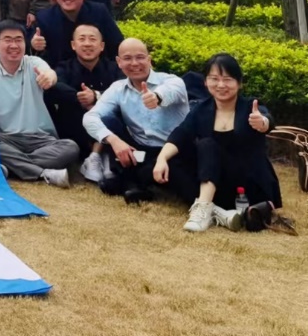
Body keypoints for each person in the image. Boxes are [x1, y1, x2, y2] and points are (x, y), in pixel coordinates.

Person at [154, 53, 290, 233]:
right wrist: (162, 158)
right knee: (173, 160)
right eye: (214, 79)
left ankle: (205, 208)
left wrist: (262, 123)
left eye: (227, 79)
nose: (220, 85)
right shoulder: (201, 110)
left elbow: (267, 119)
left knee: (206, 145)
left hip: (247, 180)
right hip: (217, 181)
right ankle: (217, 211)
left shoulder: (250, 106)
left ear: (239, 83)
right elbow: (181, 134)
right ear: (205, 82)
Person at [80, 37, 189, 204]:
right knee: (109, 122)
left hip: (173, 151)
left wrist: (156, 97)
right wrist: (114, 141)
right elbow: (90, 117)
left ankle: (135, 182)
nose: (134, 63)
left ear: (149, 59)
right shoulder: (117, 88)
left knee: (171, 176)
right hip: (140, 149)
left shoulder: (172, 81)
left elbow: (169, 92)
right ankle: (135, 180)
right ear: (119, 62)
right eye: (127, 58)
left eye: (140, 57)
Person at [0, 21, 79, 186]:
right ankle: (42, 173)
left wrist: (49, 78)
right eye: (8, 40)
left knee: (71, 147)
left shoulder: (34, 63)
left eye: (18, 40)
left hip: (41, 139)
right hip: (6, 138)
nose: (14, 45)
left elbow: (49, 73)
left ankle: (11, 167)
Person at [45, 22, 124, 182]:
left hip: (108, 128)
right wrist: (79, 97)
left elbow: (124, 89)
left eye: (92, 39)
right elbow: (55, 86)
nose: (87, 43)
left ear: (102, 46)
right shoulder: (64, 67)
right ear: (73, 45)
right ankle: (98, 157)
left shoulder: (114, 68)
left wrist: (96, 96)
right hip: (75, 131)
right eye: (82, 39)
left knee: (112, 108)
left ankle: (100, 156)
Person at [30, 0, 123, 66]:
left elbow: (117, 45)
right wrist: (34, 45)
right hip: (59, 73)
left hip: (97, 71)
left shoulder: (99, 12)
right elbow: (36, 55)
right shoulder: (44, 18)